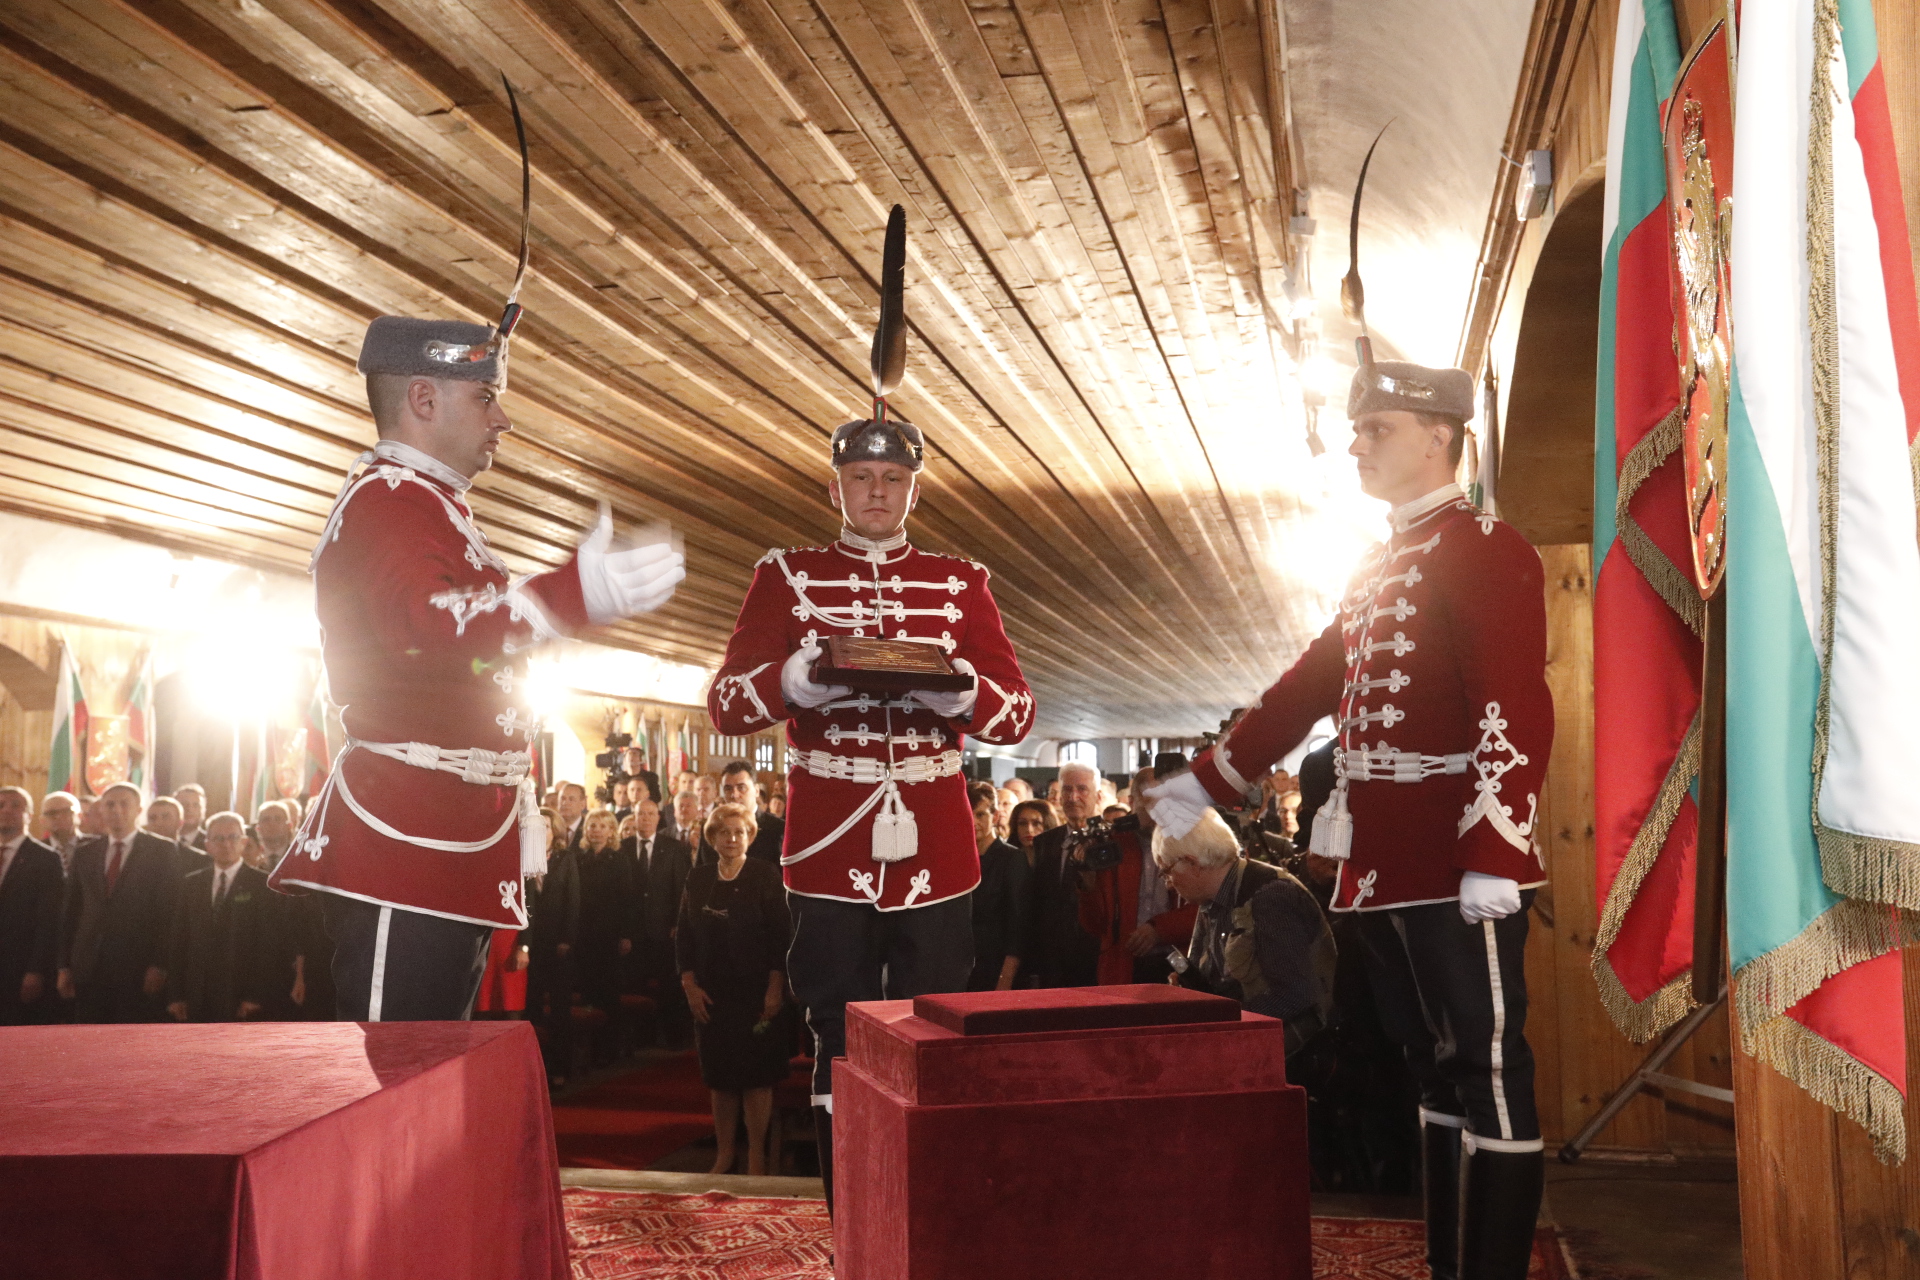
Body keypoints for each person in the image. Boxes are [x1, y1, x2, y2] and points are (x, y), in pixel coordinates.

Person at [1145, 360, 1552, 1280]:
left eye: (1377, 429)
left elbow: (1514, 707)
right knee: (1429, 1063)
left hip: (1456, 855)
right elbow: (1306, 689)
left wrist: (1496, 848)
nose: (1357, 444)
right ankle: (1448, 1264)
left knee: (1489, 1067)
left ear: (1439, 436)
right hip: (1380, 862)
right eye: (1358, 429)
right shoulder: (1377, 563)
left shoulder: (1488, 547)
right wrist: (1201, 786)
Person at [706, 244, 1035, 1206]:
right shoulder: (785, 575)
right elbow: (726, 704)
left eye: (893, 480)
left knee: (936, 1024)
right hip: (828, 838)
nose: (877, 493)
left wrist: (961, 693)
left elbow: (1018, 709)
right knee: (835, 1028)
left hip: (934, 834)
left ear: (915, 491)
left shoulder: (960, 582)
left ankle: (932, 1203)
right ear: (836, 488)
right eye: (861, 479)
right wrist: (794, 682)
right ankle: (847, 1208)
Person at [266, 305, 686, 1022]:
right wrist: (567, 595)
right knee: (396, 1063)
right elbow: (428, 627)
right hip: (407, 833)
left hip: (447, 831)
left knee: (430, 1061)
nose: (502, 420)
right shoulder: (388, 500)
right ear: (423, 399)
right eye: (486, 397)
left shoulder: (434, 506)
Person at [1156, 809, 1335, 1054]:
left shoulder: (1271, 896)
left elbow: (1295, 996)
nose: (1169, 883)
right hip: (1252, 1045)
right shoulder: (1213, 898)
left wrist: (1220, 1024)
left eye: (1167, 871)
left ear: (1192, 863)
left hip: (1292, 1055)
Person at [677, 803, 791, 1176]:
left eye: (739, 832)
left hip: (756, 992)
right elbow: (684, 937)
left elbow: (780, 937)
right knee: (720, 1078)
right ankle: (725, 1154)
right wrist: (689, 984)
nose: (731, 838)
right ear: (711, 838)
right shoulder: (698, 878)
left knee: (756, 1078)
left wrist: (775, 987)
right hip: (711, 993)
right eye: (724, 832)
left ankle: (757, 1155)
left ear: (750, 836)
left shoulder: (764, 874)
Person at [58, 782, 178, 1023]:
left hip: (137, 964)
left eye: (124, 804)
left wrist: (159, 964)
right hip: (88, 964)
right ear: (101, 810)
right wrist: (64, 965)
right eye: (110, 804)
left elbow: (169, 913)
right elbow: (71, 911)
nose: (117, 810)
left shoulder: (162, 851)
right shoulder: (85, 852)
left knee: (130, 1038)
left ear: (139, 810)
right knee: (88, 1036)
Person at [1075, 767, 1196, 986]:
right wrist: (1089, 886)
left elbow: (1203, 909)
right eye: (1151, 800)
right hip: (1122, 964)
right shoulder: (1110, 845)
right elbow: (1095, 926)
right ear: (1132, 802)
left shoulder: (1189, 841)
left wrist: (1158, 929)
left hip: (1179, 959)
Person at [166, 813, 273, 1023]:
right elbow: (179, 940)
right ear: (208, 845)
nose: (226, 844)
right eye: (219, 838)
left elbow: (267, 945)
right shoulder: (191, 884)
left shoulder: (262, 885)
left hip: (239, 991)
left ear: (244, 842)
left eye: (233, 837)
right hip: (197, 990)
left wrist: (255, 995)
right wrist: (176, 995)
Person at [1027, 762, 1104, 988]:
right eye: (1067, 790)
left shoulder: (1113, 841)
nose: (1073, 797)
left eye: (1082, 789)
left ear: (1098, 796)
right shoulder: (1044, 842)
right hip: (1051, 963)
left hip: (1096, 958)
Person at [574, 808, 637, 1064]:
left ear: (611, 831)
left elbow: (627, 900)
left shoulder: (619, 860)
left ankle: (609, 1050)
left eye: (602, 826)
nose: (596, 830)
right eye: (592, 825)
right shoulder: (578, 858)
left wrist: (626, 934)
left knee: (608, 992)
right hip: (584, 934)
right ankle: (588, 1051)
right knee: (586, 990)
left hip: (610, 934)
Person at [630, 794, 695, 1046]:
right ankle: (641, 1039)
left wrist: (678, 924)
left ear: (659, 818)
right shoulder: (623, 847)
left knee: (669, 985)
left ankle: (673, 1037)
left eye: (650, 814)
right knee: (637, 985)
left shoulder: (674, 848)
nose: (645, 818)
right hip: (634, 932)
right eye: (640, 814)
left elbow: (682, 889)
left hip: (665, 929)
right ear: (634, 817)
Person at [0, 787, 62, 1025]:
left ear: (30, 815)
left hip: (19, 966)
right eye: (1, 805)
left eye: (16, 805)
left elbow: (49, 920)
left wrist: (35, 970)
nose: (6, 810)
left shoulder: (45, 858)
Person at [966, 781, 1028, 991]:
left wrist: (1005, 979)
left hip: (996, 966)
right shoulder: (958, 860)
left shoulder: (1012, 859)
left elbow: (1018, 927)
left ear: (995, 817)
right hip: (963, 967)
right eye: (968, 814)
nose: (974, 821)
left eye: (980, 815)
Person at [720, 762, 783, 864]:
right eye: (728, 789)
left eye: (741, 788)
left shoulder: (778, 829)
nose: (734, 795)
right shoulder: (712, 828)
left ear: (756, 791)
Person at [1007, 798, 1058, 871]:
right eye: (1022, 823)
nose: (1029, 830)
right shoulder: (1005, 859)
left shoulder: (1058, 861)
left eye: (1036, 823)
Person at [39, 791, 80, 877]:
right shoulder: (35, 852)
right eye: (51, 813)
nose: (59, 817)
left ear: (79, 816)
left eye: (66, 811)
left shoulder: (97, 848)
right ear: (42, 821)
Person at [252, 800, 296, 872]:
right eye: (266, 820)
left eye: (278, 819)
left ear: (289, 826)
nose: (272, 824)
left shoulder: (298, 856)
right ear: (258, 828)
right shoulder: (250, 858)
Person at [173, 784, 208, 850]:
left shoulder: (212, 843)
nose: (189, 809)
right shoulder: (162, 842)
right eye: (184, 804)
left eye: (196, 805)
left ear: (204, 810)